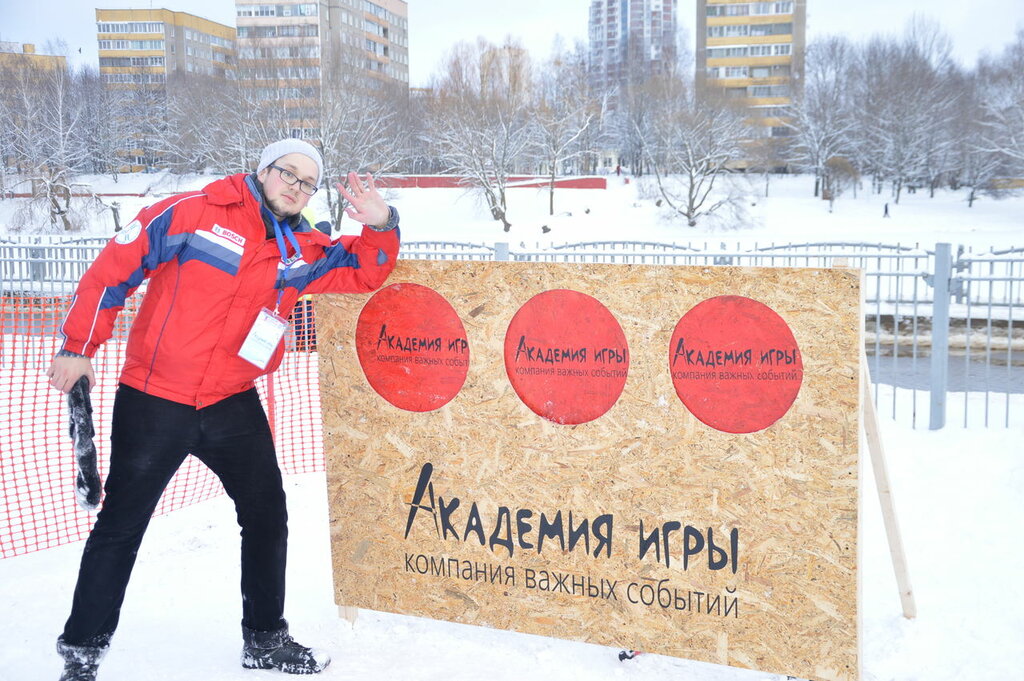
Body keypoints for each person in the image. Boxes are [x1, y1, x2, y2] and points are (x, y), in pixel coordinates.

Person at [45, 138, 401, 680]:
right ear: (263, 169)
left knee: (267, 515)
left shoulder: (303, 248)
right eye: (288, 173)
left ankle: (265, 639)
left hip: (232, 401)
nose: (296, 187)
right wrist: (79, 346)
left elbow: (364, 270)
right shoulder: (193, 212)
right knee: (121, 526)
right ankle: (81, 655)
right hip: (155, 398)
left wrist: (382, 223)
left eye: (308, 182)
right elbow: (114, 269)